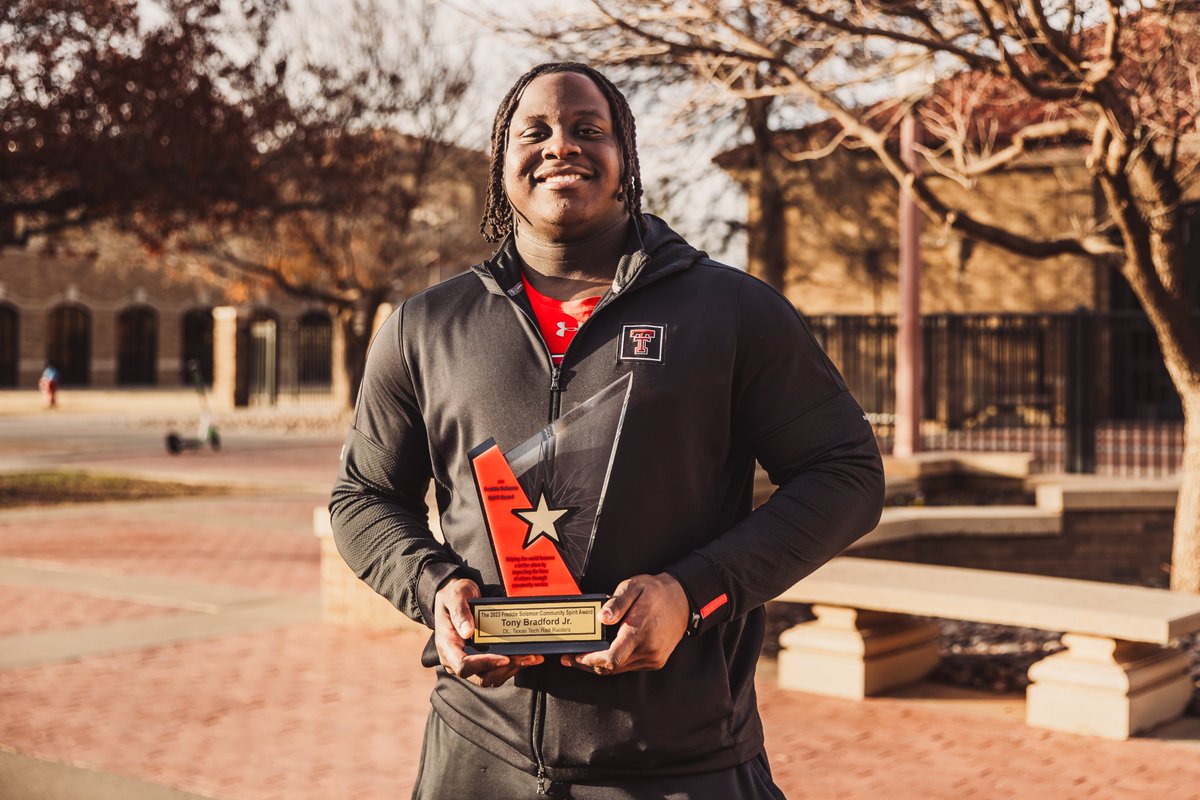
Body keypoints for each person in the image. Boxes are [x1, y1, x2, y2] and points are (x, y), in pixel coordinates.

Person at [330, 62, 885, 799]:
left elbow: (846, 474)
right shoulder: (426, 327)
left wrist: (694, 595)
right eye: (536, 132)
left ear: (627, 160)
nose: (562, 145)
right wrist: (434, 588)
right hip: (478, 754)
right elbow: (362, 496)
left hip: (684, 761)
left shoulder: (732, 311)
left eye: (589, 130)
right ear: (501, 164)